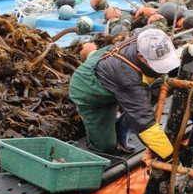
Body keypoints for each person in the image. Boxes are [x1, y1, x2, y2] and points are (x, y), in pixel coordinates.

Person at [69, 28, 179, 158]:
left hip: (111, 69)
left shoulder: (147, 38)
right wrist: (170, 157)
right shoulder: (129, 79)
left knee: (159, 85)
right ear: (140, 57)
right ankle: (107, 126)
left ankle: (123, 124)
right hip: (90, 91)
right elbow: (145, 125)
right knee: (105, 147)